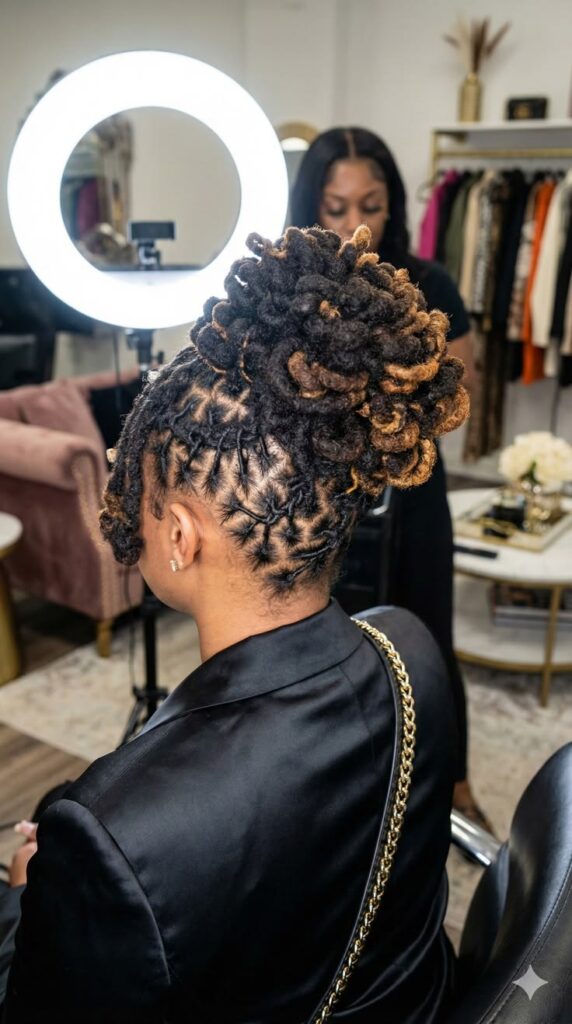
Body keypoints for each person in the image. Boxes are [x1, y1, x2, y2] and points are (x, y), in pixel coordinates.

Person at [2, 225, 468, 1022]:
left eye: (140, 496)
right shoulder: (411, 651)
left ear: (180, 536)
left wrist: (29, 900)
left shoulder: (111, 835)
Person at [291, 127, 488, 828]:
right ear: (312, 205)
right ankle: (342, 798)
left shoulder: (429, 284)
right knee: (324, 644)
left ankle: (452, 785)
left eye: (369, 203)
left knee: (424, 635)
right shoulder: (293, 289)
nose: (354, 224)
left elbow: (458, 405)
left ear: (393, 204)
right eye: (336, 207)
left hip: (411, 493)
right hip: (320, 494)